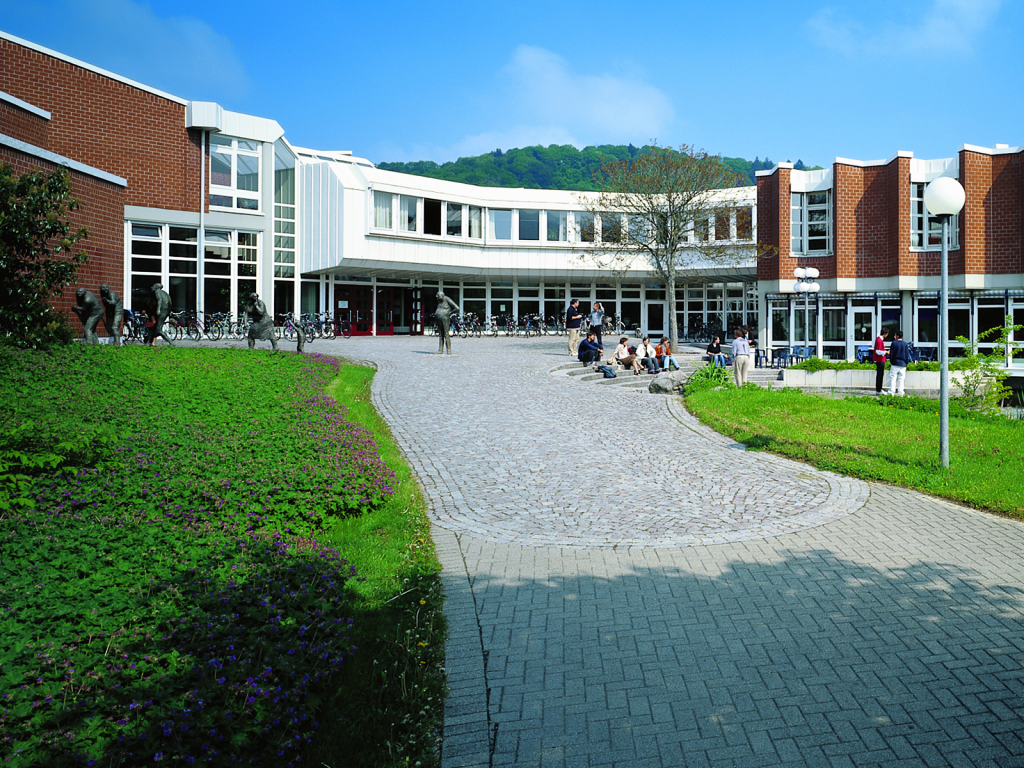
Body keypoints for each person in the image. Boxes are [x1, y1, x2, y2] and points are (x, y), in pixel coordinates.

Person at [888, 330, 910, 396]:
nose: (894, 336)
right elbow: (907, 355)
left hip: (895, 363)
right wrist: (906, 363)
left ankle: (891, 392)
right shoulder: (905, 344)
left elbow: (891, 354)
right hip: (903, 364)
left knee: (893, 378)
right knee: (901, 379)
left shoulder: (894, 343)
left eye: (895, 335)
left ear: (897, 336)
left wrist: (891, 361)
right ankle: (900, 393)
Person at [873, 328, 890, 394]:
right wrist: (885, 352)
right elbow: (878, 351)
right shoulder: (879, 340)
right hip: (880, 359)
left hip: (879, 359)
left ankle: (879, 389)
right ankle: (879, 389)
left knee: (880, 374)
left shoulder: (878, 339)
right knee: (880, 374)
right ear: (885, 334)